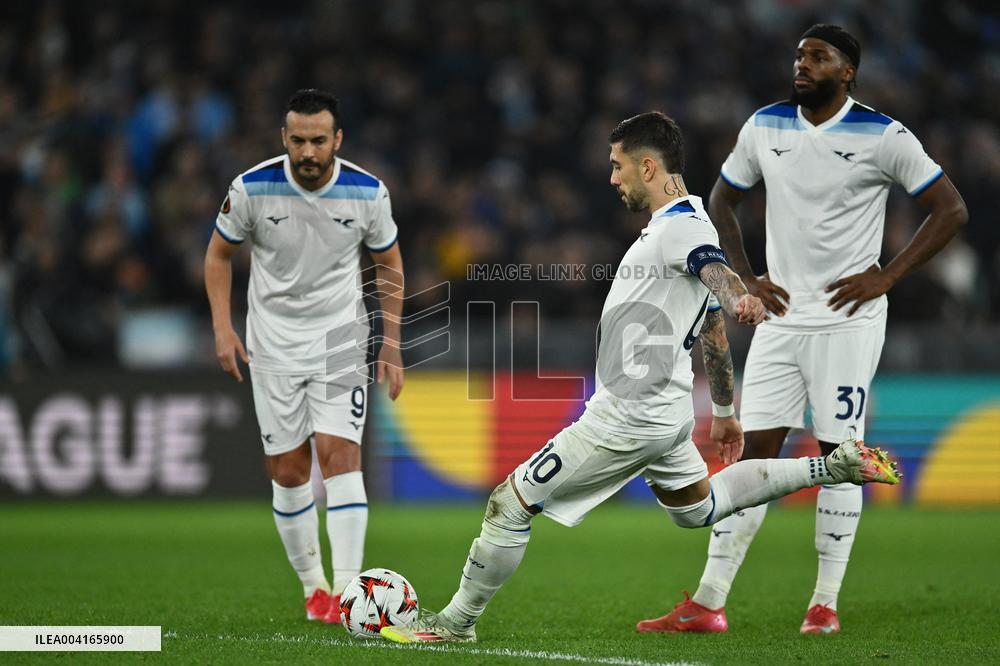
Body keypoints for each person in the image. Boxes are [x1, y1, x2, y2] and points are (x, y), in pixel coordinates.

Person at [379, 112, 900, 644]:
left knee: (509, 503)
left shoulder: (682, 228)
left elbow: (712, 271)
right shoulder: (683, 221)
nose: (612, 178)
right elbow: (713, 330)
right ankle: (829, 465)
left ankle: (454, 623)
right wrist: (723, 413)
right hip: (667, 416)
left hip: (628, 414)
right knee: (700, 507)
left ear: (647, 166)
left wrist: (737, 292)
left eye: (617, 165)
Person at [639, 25, 968, 636]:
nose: (803, 64)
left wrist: (888, 275)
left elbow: (952, 209)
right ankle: (708, 602)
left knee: (840, 456)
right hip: (780, 322)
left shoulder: (883, 134)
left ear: (848, 71)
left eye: (818, 57)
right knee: (752, 452)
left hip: (847, 322)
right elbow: (722, 200)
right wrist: (745, 279)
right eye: (799, 55)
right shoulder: (765, 125)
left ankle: (825, 604)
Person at [204, 89, 405, 624]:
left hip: (340, 341)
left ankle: (348, 593)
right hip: (271, 344)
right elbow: (218, 255)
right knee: (289, 471)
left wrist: (391, 341)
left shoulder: (368, 193)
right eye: (299, 140)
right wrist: (223, 329)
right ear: (284, 139)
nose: (308, 151)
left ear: (337, 140)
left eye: (319, 140)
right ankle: (314, 587)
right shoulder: (250, 188)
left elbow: (389, 264)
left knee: (342, 457)